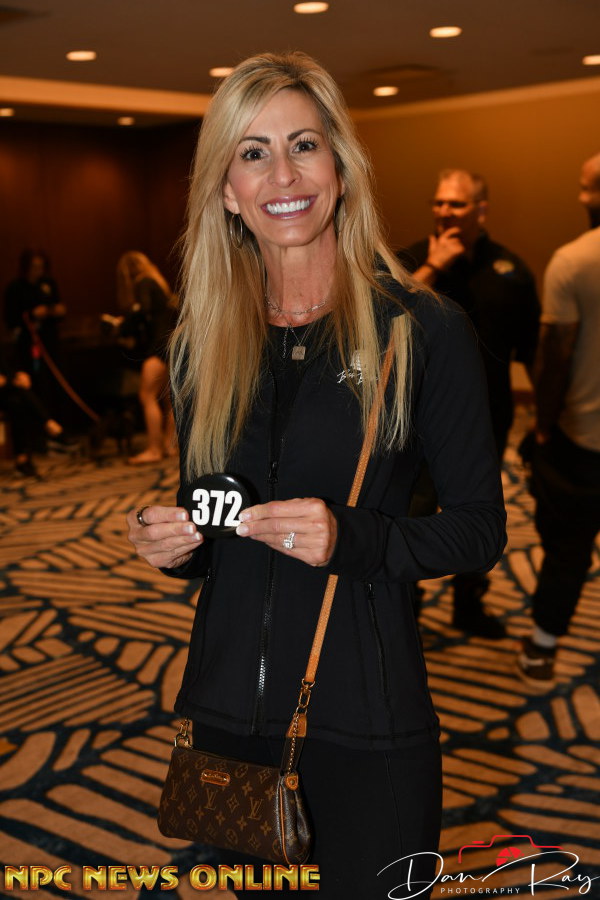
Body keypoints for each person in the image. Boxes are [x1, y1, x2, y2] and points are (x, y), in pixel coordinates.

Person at [127, 52, 506, 898]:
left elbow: (480, 529)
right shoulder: (199, 343)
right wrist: (174, 543)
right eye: (252, 152)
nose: (284, 175)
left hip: (366, 715)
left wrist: (353, 537)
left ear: (340, 164)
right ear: (227, 190)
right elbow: (215, 516)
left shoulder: (420, 329)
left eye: (304, 144)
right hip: (228, 712)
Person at [402, 169, 540, 638]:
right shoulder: (411, 261)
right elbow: (387, 321)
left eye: (457, 204)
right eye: (439, 202)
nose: (445, 211)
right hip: (416, 419)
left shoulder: (511, 272)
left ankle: (469, 604)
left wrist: (542, 420)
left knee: (476, 516)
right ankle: (404, 610)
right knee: (410, 515)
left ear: (481, 210)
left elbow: (533, 353)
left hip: (484, 418)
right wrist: (435, 267)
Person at [517, 152, 600, 690]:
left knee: (567, 547)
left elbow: (555, 357)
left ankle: (542, 648)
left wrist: (543, 428)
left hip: (583, 442)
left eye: (585, 187)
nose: (580, 197)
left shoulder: (574, 261)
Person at [115, 251, 177, 465]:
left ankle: (154, 449)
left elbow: (143, 312)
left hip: (158, 345)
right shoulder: (158, 283)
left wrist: (123, 326)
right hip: (171, 342)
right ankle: (170, 445)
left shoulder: (143, 282)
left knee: (147, 395)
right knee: (169, 398)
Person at [3, 249, 67, 408]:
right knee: (34, 380)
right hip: (27, 343)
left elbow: (57, 306)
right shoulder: (15, 288)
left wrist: (54, 311)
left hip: (50, 340)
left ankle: (56, 415)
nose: (38, 270)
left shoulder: (48, 284)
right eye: (34, 267)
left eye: (41, 267)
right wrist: (33, 314)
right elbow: (10, 319)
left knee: (55, 380)